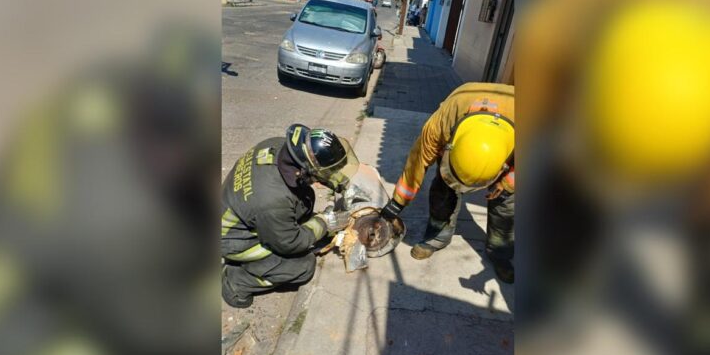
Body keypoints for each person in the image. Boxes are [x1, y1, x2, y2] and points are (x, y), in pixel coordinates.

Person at [381, 83, 516, 283]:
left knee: (506, 205)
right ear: (449, 145)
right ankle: (438, 237)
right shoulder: (440, 125)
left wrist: (507, 185)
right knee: (443, 192)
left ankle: (500, 253)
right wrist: (397, 202)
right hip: (461, 111)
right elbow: (416, 165)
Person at [221, 124, 360, 308]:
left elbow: (306, 177)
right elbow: (289, 243)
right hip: (232, 239)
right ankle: (236, 281)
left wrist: (340, 183)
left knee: (303, 198)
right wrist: (325, 223)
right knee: (303, 266)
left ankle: (258, 259)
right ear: (303, 170)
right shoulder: (272, 201)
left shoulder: (278, 146)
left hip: (240, 211)